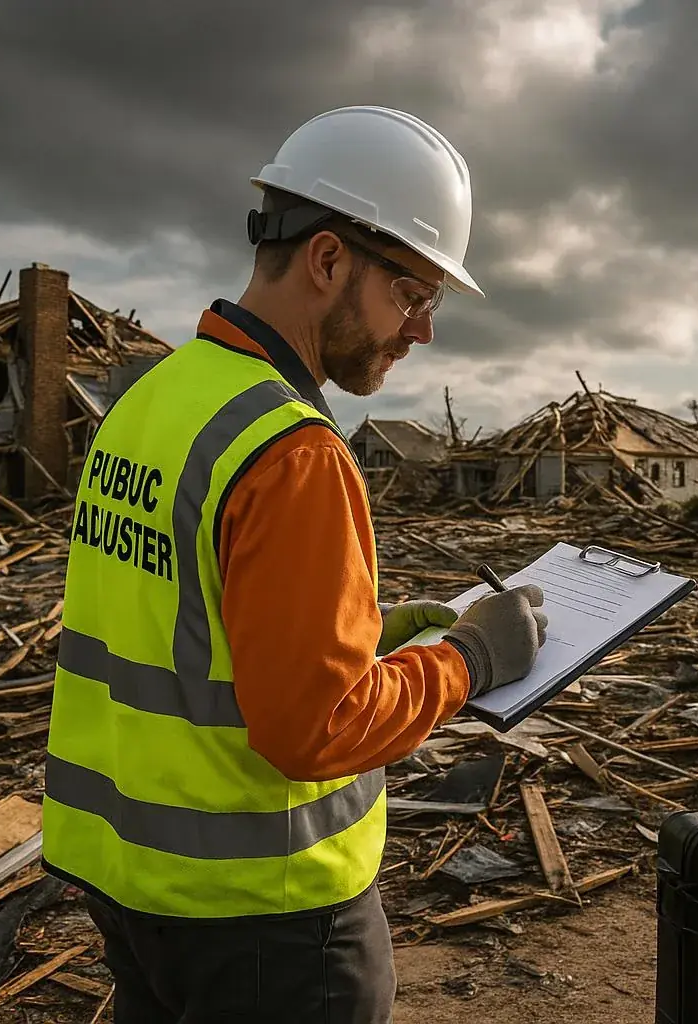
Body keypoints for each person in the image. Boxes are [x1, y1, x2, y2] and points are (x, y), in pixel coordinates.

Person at [40, 106, 549, 1023]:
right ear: (327, 260)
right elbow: (315, 730)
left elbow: (182, 621)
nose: (421, 330)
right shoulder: (293, 452)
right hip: (266, 918)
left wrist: (369, 631)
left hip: (130, 883)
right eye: (411, 294)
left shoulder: (156, 401)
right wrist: (472, 659)